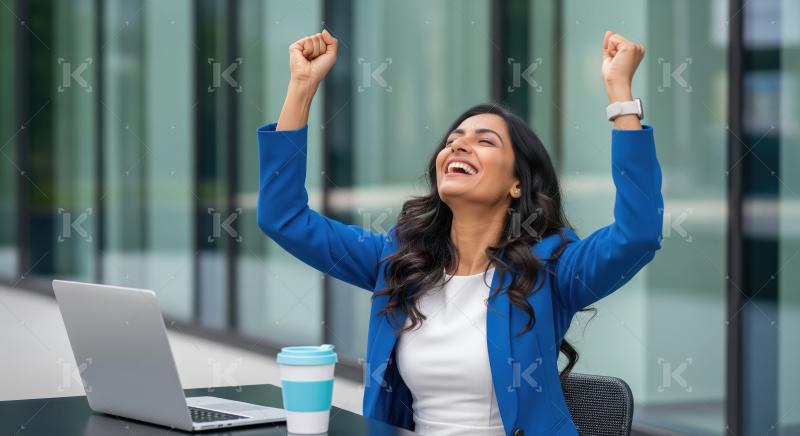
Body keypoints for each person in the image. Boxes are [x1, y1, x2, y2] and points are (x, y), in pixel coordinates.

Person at [257, 28, 662, 436]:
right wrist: (302, 88)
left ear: (516, 184)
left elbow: (638, 234)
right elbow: (283, 218)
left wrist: (620, 95)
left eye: (484, 141)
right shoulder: (400, 262)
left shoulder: (551, 268)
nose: (459, 147)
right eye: (452, 141)